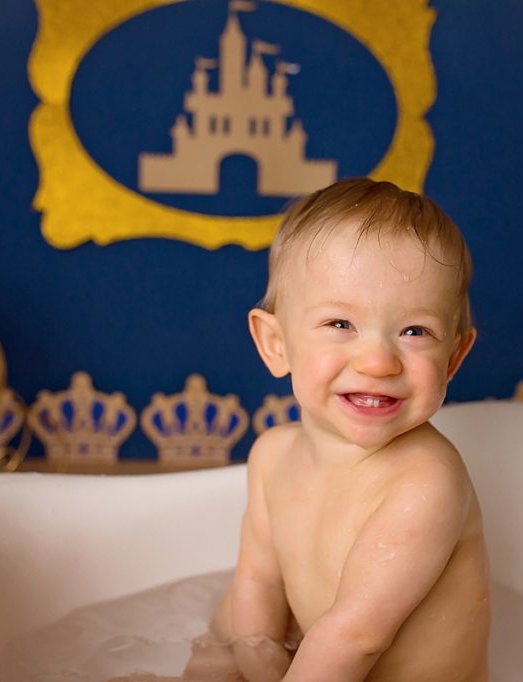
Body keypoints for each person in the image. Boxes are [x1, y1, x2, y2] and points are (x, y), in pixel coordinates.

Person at [210, 177, 490, 681]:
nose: (379, 361)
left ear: (453, 359)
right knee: (226, 618)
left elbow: (355, 636)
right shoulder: (271, 457)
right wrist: (257, 666)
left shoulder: (426, 481)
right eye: (341, 324)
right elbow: (258, 583)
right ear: (276, 344)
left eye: (415, 331)